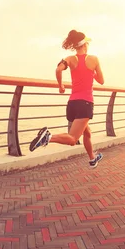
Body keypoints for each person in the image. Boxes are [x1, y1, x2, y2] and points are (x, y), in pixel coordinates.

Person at [29, 29, 105, 168]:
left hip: (72, 103)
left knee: (87, 132)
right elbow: (101, 80)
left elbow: (58, 70)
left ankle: (92, 158)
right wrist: (92, 73)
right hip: (86, 103)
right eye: (87, 43)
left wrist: (61, 86)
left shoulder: (70, 59)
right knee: (72, 139)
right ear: (84, 45)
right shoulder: (94, 59)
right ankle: (48, 137)